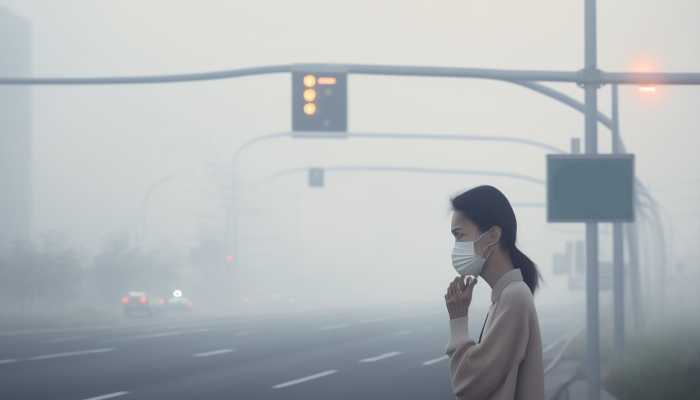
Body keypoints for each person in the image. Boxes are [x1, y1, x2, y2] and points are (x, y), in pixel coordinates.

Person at [444, 185, 544, 400]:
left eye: (459, 235)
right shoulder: (505, 297)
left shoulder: (514, 297)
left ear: (493, 236)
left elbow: (468, 384)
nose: (456, 247)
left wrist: (458, 320)